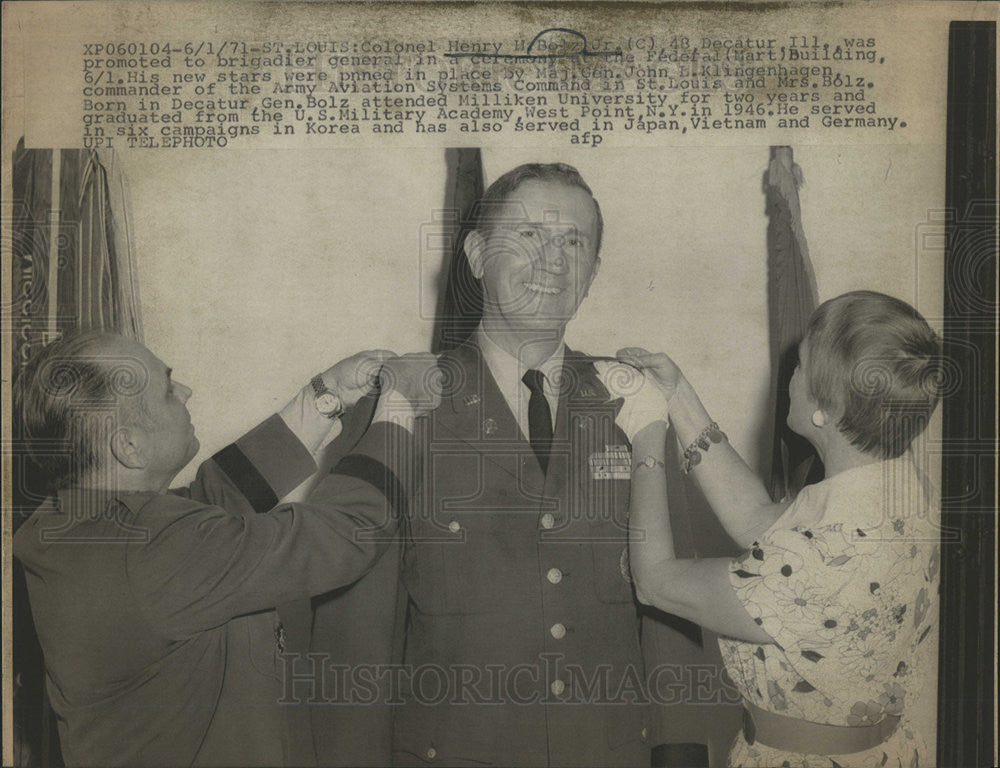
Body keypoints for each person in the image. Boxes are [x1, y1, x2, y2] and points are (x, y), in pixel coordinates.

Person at [361, 162, 725, 767]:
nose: (555, 259)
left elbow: (673, 620)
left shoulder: (630, 403)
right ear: (477, 255)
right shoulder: (408, 404)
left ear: (592, 275)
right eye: (530, 235)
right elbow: (361, 639)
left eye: (574, 242)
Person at [12, 330, 441, 767]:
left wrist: (326, 395)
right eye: (167, 389)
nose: (186, 390)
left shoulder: (74, 525)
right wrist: (399, 405)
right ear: (129, 446)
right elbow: (347, 532)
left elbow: (212, 499)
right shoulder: (158, 551)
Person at [614, 291, 942, 767]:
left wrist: (646, 434)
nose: (790, 374)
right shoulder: (899, 489)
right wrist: (677, 394)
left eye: (801, 365)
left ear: (824, 410)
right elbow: (757, 522)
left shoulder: (816, 561)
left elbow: (655, 581)